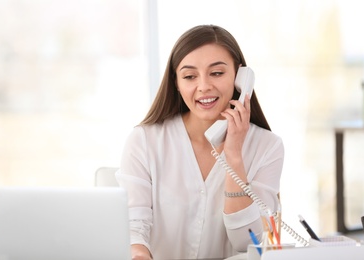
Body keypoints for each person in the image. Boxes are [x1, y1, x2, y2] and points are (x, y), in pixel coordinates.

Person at [116, 24, 284, 260]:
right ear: (176, 82)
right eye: (189, 76)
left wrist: (234, 154)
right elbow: (133, 228)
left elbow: (247, 243)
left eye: (216, 73)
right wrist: (139, 254)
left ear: (240, 77)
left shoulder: (268, 147)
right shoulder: (144, 141)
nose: (204, 86)